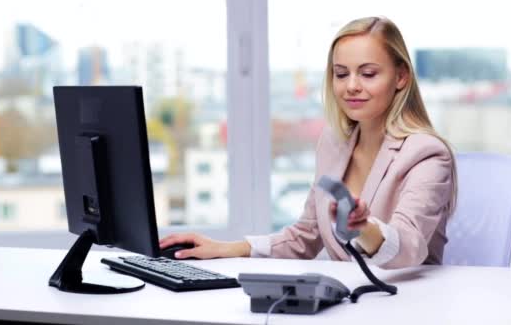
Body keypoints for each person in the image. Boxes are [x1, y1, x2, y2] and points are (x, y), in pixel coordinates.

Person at [160, 16, 457, 269]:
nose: (351, 85)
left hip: (408, 305)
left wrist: (363, 227)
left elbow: (410, 247)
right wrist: (228, 248)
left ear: (401, 76)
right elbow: (307, 235)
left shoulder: (426, 155)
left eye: (368, 73)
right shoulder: (334, 142)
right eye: (341, 74)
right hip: (347, 302)